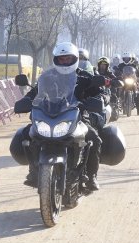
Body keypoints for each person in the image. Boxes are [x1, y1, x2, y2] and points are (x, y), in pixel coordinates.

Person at [10, 42, 103, 191]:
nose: (65, 62)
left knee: (94, 139)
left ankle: (91, 177)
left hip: (77, 118)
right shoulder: (47, 76)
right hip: (48, 115)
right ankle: (34, 172)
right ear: (56, 59)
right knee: (27, 135)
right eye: (61, 59)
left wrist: (96, 100)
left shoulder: (84, 77)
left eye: (68, 59)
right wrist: (25, 101)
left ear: (75, 59)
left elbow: (97, 94)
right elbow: (34, 92)